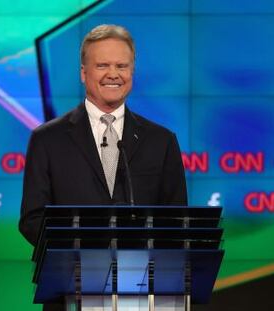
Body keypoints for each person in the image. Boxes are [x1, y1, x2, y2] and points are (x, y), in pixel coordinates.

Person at [19, 24, 187, 310]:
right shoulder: (47, 139)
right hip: (71, 291)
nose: (113, 74)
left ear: (132, 72)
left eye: (122, 65)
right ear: (84, 73)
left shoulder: (162, 141)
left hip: (143, 294)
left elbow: (177, 221)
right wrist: (87, 256)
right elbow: (32, 219)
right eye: (102, 65)